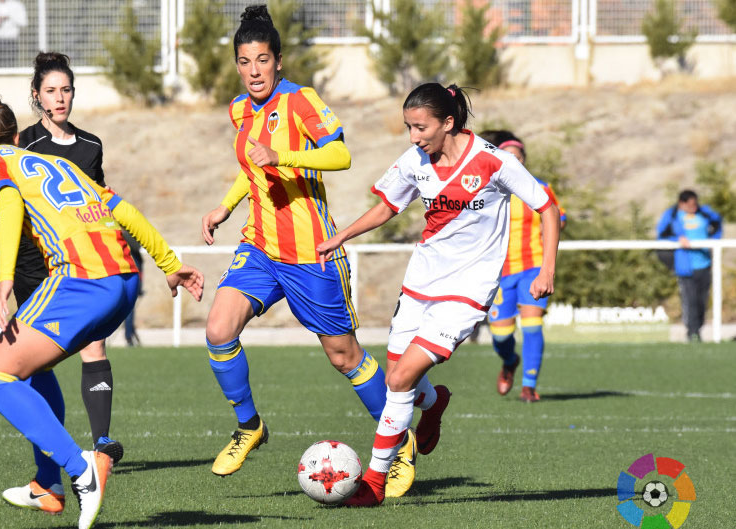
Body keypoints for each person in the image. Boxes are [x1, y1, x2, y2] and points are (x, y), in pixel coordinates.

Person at [199, 4, 418, 498]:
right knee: (218, 330)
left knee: (345, 358)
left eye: (262, 60)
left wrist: (284, 155)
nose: (254, 71)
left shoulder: (300, 101)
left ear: (278, 60)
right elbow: (251, 169)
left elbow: (340, 154)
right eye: (244, 62)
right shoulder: (239, 109)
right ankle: (249, 425)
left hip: (310, 251)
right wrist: (225, 206)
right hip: (259, 245)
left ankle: (400, 442)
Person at [0, 82, 203, 529]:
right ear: (18, 137)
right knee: (34, 369)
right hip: (125, 278)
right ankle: (46, 484)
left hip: (82, 279)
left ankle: (81, 469)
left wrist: (3, 280)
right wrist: (170, 264)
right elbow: (123, 210)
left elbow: (10, 200)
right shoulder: (55, 163)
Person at [316, 83, 561, 506]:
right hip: (419, 283)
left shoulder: (492, 161)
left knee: (397, 379)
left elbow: (548, 207)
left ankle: (374, 483)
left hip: (467, 291)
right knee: (402, 380)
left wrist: (548, 269)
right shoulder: (415, 161)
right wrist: (341, 237)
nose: (414, 137)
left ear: (448, 123)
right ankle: (436, 401)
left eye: (421, 127)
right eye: (409, 127)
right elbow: (386, 207)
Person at [0, 52, 128, 513]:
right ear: (36, 96)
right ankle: (49, 479)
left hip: (77, 264)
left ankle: (99, 448)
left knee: (93, 347)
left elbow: (97, 204)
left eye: (66, 90)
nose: (59, 98)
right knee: (32, 371)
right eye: (51, 91)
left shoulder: (91, 146)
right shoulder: (22, 142)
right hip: (33, 266)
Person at [480, 130, 566, 403]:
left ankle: (529, 385)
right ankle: (510, 361)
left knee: (532, 325)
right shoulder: (488, 189)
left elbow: (559, 218)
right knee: (501, 335)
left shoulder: (539, 188)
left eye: (519, 156)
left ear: (524, 160)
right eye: (510, 156)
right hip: (499, 271)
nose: (514, 160)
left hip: (532, 268)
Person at [656, 190, 722, 342]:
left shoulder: (705, 213)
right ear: (682, 203)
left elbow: (718, 224)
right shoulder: (672, 215)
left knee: (701, 301)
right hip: (685, 266)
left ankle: (698, 329)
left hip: (704, 263)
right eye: (690, 204)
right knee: (689, 300)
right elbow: (662, 236)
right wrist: (678, 239)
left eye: (695, 203)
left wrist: (714, 241)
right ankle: (692, 333)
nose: (694, 207)